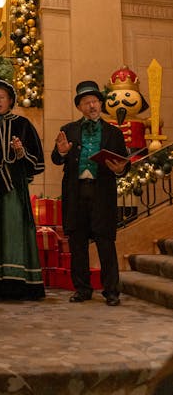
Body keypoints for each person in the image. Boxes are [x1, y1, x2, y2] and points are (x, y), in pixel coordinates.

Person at [51, 80, 129, 306]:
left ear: (101, 104)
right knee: (77, 243)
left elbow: (124, 162)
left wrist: (121, 168)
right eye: (86, 102)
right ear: (79, 107)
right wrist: (61, 152)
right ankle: (83, 289)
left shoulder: (113, 132)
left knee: (105, 243)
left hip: (102, 192)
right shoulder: (69, 130)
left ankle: (111, 291)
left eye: (94, 101)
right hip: (76, 193)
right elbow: (56, 159)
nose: (91, 106)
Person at [0, 78, 45, 300]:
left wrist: (21, 151)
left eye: (2, 97)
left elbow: (37, 161)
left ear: (11, 100)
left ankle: (15, 283)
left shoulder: (23, 125)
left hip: (14, 188)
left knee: (12, 231)